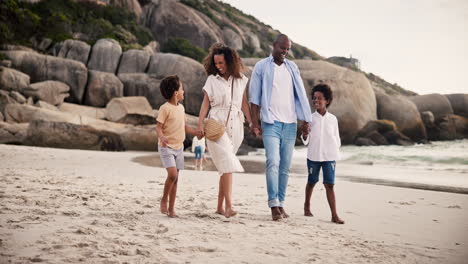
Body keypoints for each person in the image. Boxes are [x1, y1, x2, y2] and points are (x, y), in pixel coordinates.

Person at [249, 34, 312, 221]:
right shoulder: (261, 66)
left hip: (290, 124)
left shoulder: (292, 67)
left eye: (287, 49)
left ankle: (281, 204)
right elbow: (254, 97)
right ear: (274, 45)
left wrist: (305, 121)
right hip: (271, 122)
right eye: (282, 48)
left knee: (285, 167)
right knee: (273, 162)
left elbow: (300, 95)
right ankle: (273, 204)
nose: (285, 52)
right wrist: (254, 122)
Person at [197, 43, 253, 218]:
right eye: (216, 63)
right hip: (216, 126)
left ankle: (220, 207)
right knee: (228, 163)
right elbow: (205, 103)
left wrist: (252, 123)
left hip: (236, 126)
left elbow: (244, 104)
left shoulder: (241, 80)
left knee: (225, 167)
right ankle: (229, 206)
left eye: (221, 63)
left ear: (230, 61)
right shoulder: (212, 80)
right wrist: (200, 125)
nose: (219, 67)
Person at [302, 84, 344, 224]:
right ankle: (307, 205)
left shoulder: (333, 119)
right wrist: (305, 133)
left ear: (327, 100)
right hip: (313, 155)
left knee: (329, 184)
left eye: (319, 98)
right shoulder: (309, 118)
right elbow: (305, 140)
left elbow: (336, 138)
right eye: (314, 98)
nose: (316, 101)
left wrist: (335, 151)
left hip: (329, 157)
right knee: (312, 181)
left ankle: (334, 215)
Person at [156, 75, 198, 218]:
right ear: (175, 93)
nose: (183, 91)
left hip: (179, 148)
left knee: (176, 179)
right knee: (172, 175)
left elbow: (184, 126)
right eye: (181, 88)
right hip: (166, 147)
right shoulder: (165, 108)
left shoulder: (181, 108)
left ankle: (171, 209)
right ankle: (164, 200)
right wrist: (162, 136)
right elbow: (158, 127)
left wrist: (196, 133)